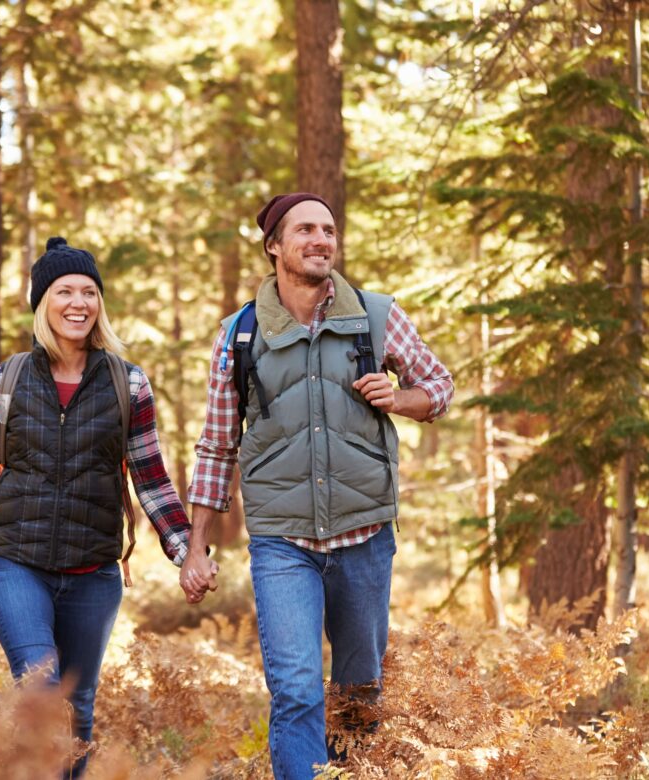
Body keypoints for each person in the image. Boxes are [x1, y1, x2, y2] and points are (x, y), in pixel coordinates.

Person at [0, 236, 217, 778]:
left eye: (88, 291)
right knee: (41, 686)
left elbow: (152, 480)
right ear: (42, 303)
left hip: (93, 573)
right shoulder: (4, 380)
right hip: (17, 563)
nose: (78, 302)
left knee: (77, 710)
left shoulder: (128, 383)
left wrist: (187, 553)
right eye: (64, 291)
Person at [184, 193, 455, 779]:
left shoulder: (378, 315)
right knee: (298, 691)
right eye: (305, 229)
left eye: (328, 230)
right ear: (274, 245)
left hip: (364, 535)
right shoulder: (238, 335)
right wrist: (196, 544)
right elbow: (215, 444)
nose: (321, 239)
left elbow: (439, 385)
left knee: (358, 695)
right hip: (283, 542)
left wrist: (401, 398)